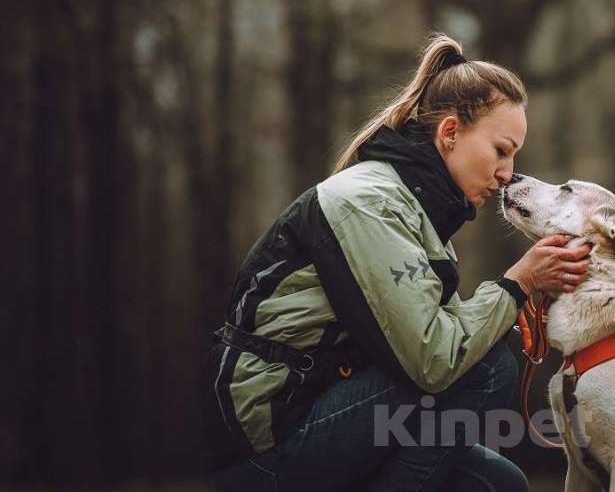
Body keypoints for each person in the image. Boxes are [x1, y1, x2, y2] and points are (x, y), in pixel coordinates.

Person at [203, 34, 593, 491]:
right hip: (270, 443)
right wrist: (517, 284)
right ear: (450, 133)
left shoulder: (418, 214)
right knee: (490, 369)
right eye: (501, 150)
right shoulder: (368, 203)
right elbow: (434, 359)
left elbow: (441, 340)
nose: (507, 173)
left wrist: (525, 290)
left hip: (329, 411)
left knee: (498, 483)